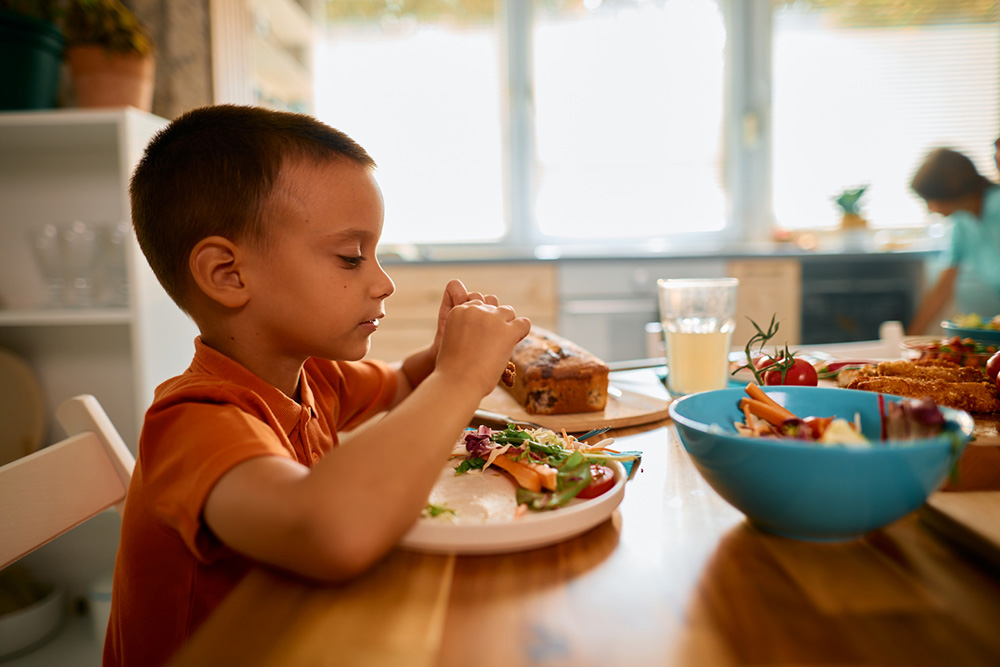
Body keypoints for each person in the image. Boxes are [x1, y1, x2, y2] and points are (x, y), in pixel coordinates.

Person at [106, 105, 531, 666]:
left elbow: (405, 383)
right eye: (350, 258)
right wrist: (459, 378)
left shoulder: (311, 375)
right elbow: (328, 530)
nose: (383, 282)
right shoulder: (193, 420)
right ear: (227, 275)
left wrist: (441, 356)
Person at [907, 147, 1000, 334]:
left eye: (931, 200)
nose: (930, 210)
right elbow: (942, 288)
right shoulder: (961, 222)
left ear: (952, 190)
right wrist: (910, 338)